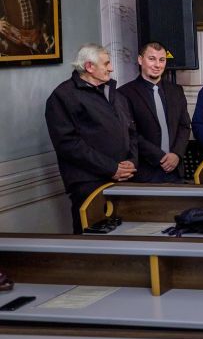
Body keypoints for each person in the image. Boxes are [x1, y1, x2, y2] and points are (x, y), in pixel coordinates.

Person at [45, 43, 138, 233]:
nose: (111, 68)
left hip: (123, 179)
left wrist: (131, 161)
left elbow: (131, 131)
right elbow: (68, 145)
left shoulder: (114, 92)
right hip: (89, 184)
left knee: (127, 239)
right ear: (89, 66)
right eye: (106, 63)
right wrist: (111, 168)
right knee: (92, 240)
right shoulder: (63, 96)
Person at [118, 41, 191, 183]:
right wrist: (159, 157)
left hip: (175, 170)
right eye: (152, 59)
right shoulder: (124, 93)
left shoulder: (176, 91)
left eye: (162, 60)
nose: (157, 65)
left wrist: (176, 154)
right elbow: (130, 133)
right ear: (140, 60)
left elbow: (184, 126)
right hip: (145, 172)